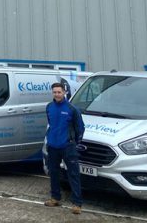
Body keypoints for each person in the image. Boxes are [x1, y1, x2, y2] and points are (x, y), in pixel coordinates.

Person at [45, 81, 85, 215]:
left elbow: (80, 128)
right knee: (54, 172)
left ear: (64, 92)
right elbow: (51, 124)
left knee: (73, 174)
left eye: (59, 92)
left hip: (68, 146)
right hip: (53, 146)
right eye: (54, 92)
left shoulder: (72, 109)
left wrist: (74, 142)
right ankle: (55, 198)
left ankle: (77, 203)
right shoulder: (49, 107)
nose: (57, 94)